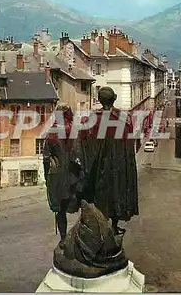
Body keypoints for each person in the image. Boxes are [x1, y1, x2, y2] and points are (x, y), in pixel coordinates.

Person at [80, 86, 139, 235]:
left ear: (99, 100)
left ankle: (102, 226)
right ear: (114, 99)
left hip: (98, 166)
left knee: (100, 195)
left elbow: (84, 140)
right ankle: (113, 225)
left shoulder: (92, 118)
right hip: (118, 165)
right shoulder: (124, 118)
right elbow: (130, 143)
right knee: (115, 193)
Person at [43, 104, 85, 248]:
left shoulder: (51, 132)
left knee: (60, 211)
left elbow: (46, 158)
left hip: (58, 176)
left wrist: (46, 178)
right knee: (82, 204)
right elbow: (79, 153)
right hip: (73, 174)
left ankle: (63, 238)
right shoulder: (74, 130)